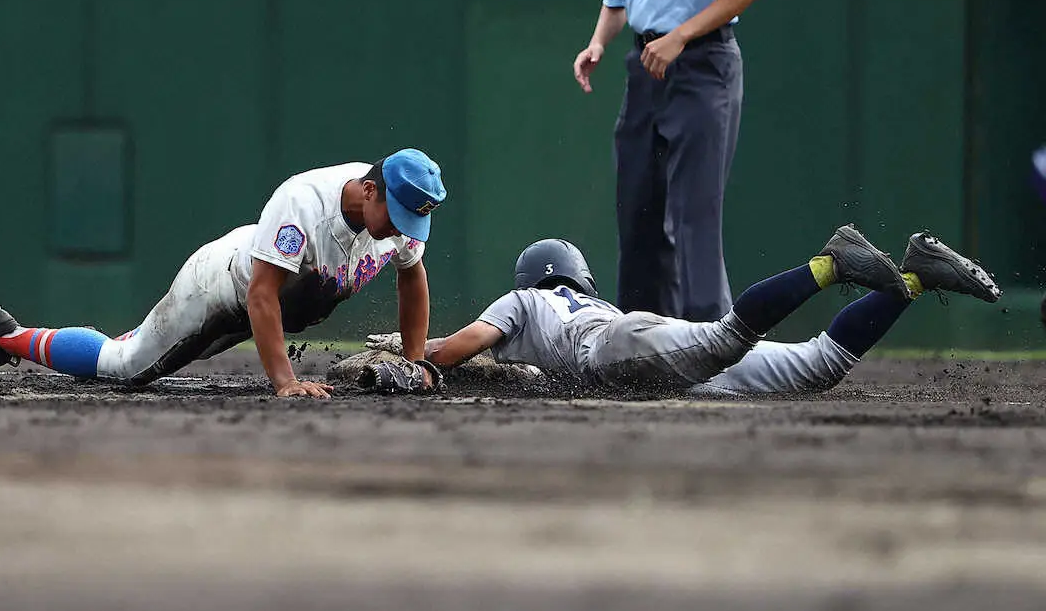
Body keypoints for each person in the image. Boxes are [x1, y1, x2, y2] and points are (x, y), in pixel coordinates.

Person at [0, 148, 447, 398]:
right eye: (397, 216)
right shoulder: (303, 201)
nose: (401, 231)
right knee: (125, 366)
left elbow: (413, 276)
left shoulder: (398, 218)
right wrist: (285, 381)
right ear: (368, 190)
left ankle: (118, 337)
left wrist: (411, 360)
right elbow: (262, 295)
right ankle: (6, 336)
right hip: (220, 289)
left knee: (140, 343)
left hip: (255, 298)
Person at [361, 225, 1002, 397]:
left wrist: (414, 355)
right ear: (579, 277)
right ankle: (915, 276)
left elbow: (462, 346)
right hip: (649, 349)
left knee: (729, 335)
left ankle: (831, 264)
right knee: (818, 367)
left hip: (617, 350)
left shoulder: (524, 300)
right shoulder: (583, 299)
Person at [572, 0, 766, 321]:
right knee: (637, 208)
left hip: (704, 66)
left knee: (694, 215)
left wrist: (679, 36)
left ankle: (710, 348)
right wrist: (598, 42)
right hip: (646, 66)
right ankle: (641, 347)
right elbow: (617, 1)